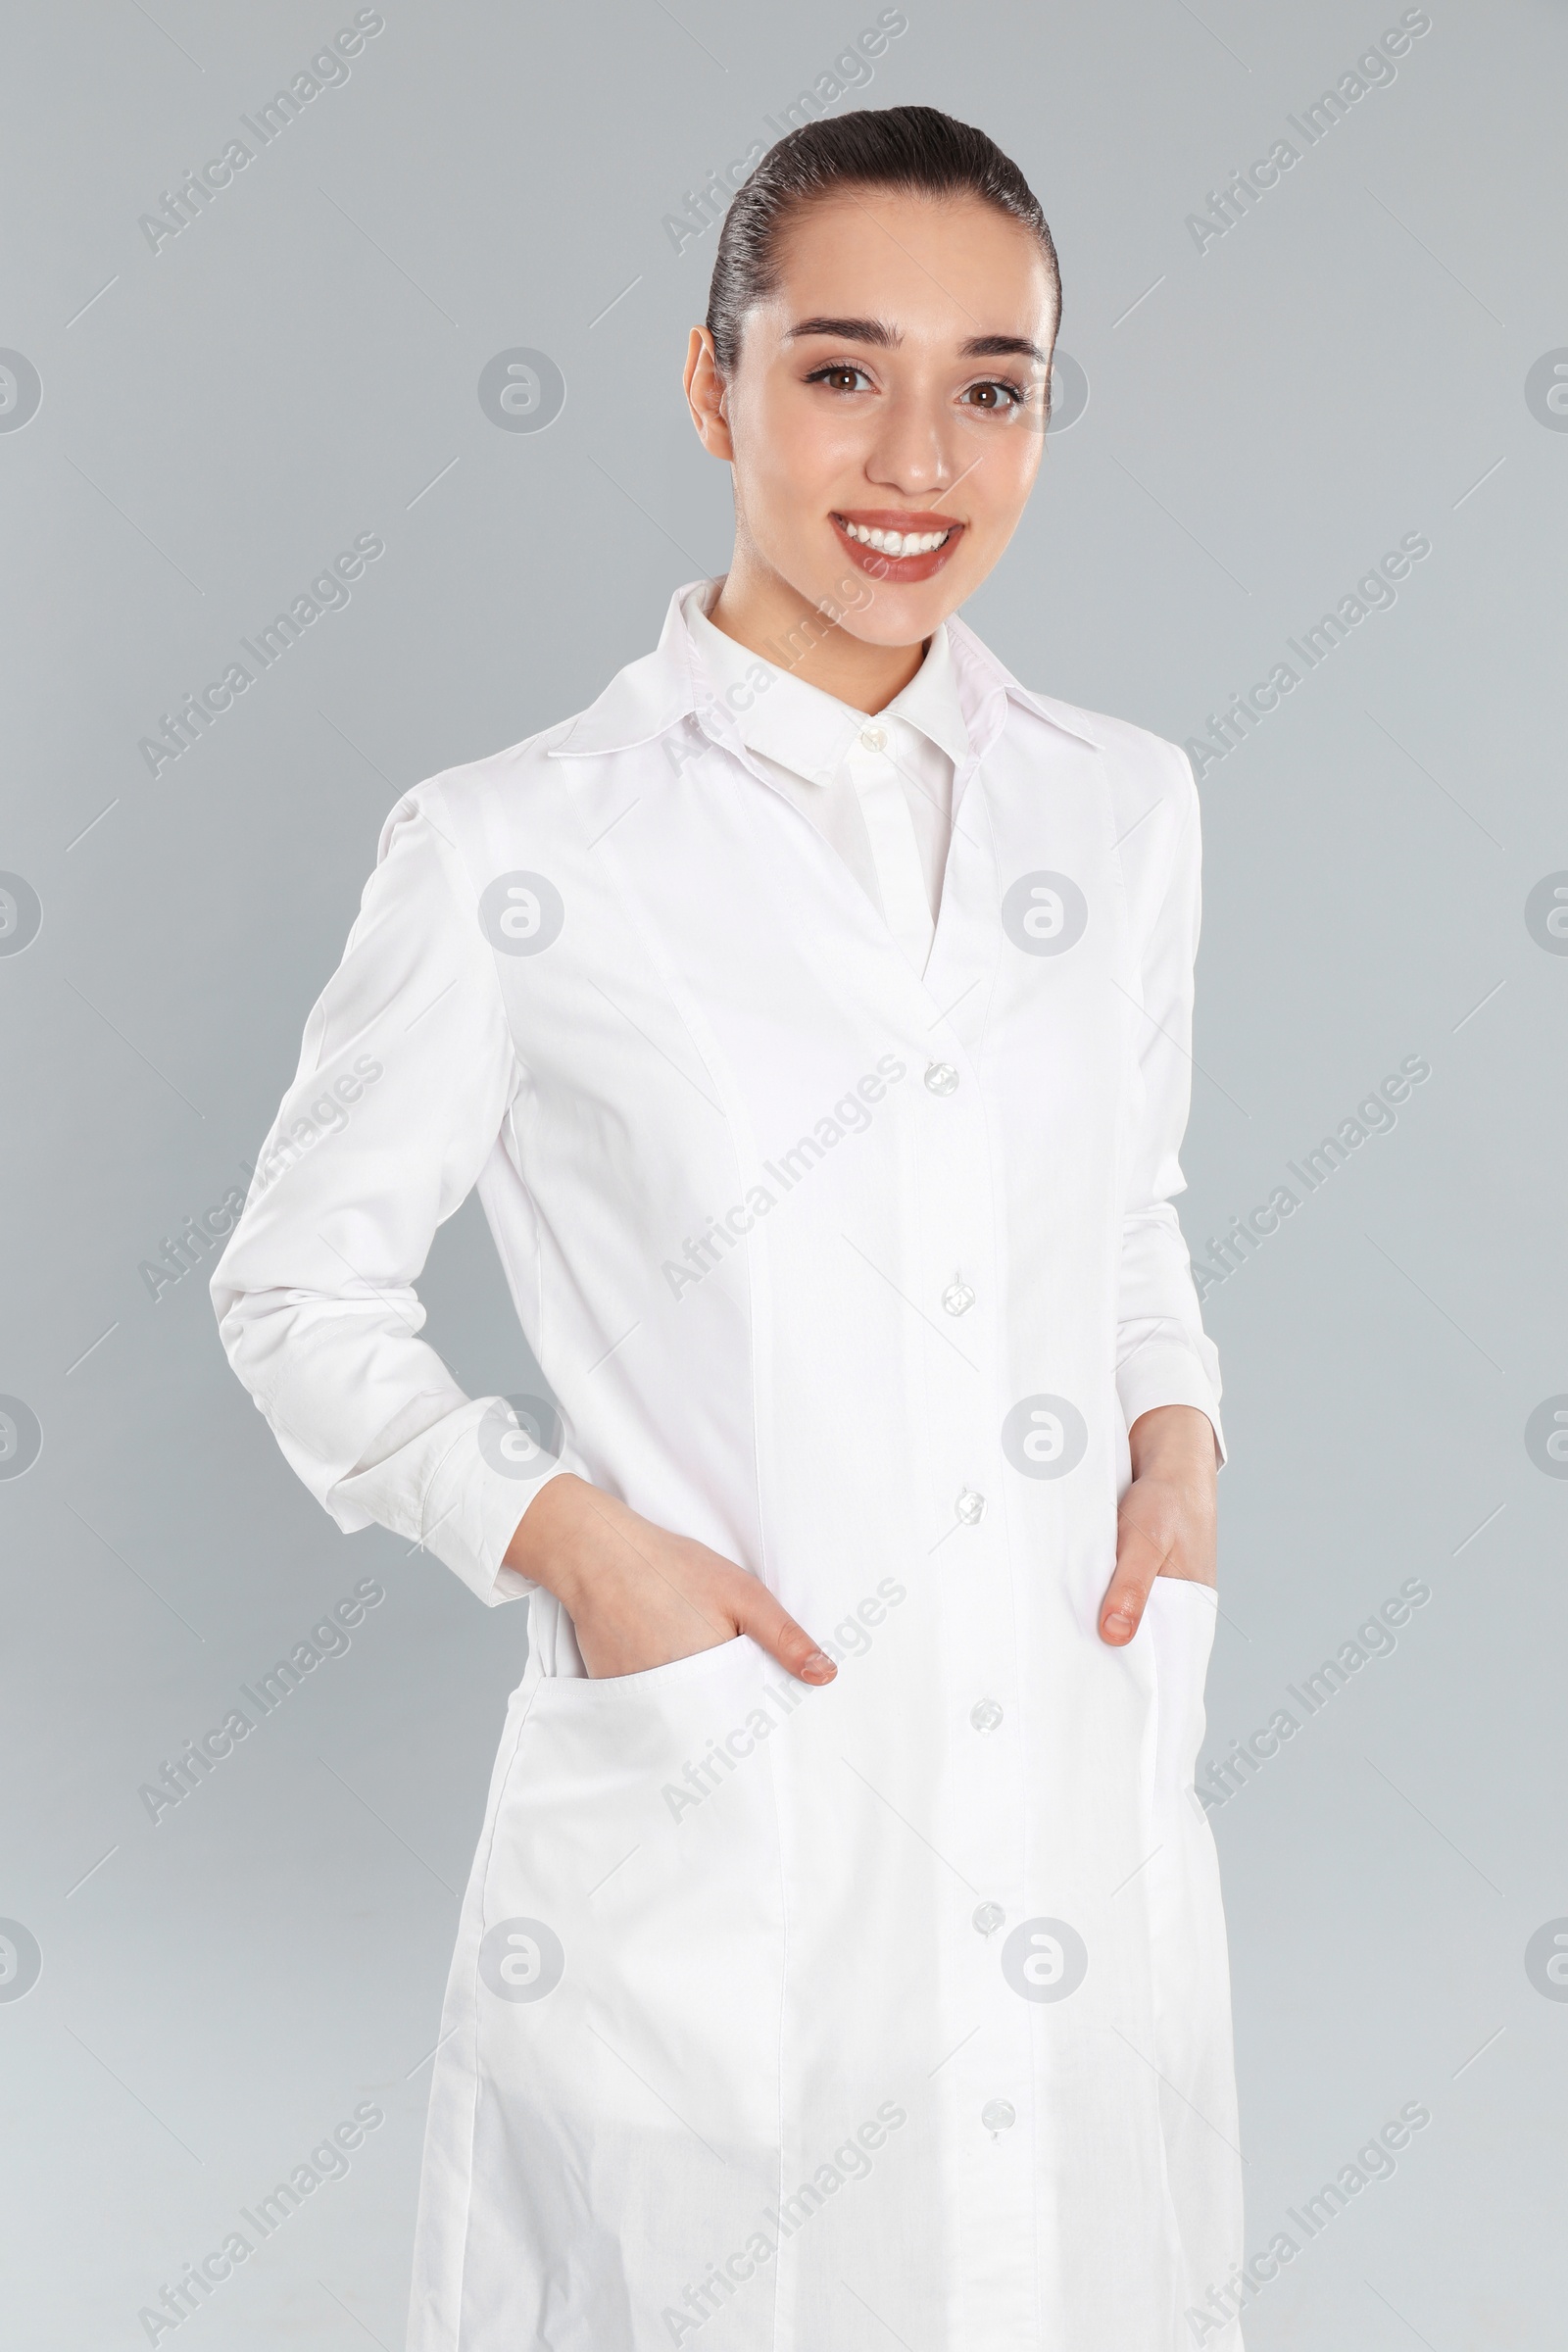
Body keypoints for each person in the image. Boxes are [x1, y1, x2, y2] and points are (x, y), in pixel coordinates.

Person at [212, 103, 1244, 2352]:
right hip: (725, 1792)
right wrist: (564, 1538)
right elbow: (296, 1285)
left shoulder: (1124, 807)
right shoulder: (520, 847)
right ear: (710, 390)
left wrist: (1177, 1443)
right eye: (835, 368)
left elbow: (1124, 1211)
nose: (918, 458)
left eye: (992, 385)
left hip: (1061, 1767)